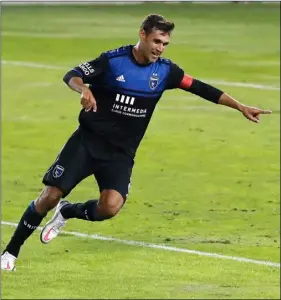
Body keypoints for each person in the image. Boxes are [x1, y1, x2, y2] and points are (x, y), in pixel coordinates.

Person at [1, 14, 271, 271]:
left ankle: (68, 213)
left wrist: (239, 106)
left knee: (110, 208)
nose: (160, 49)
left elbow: (201, 88)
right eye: (156, 41)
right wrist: (84, 89)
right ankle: (11, 251)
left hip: (120, 153)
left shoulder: (166, 72)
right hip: (87, 143)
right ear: (142, 35)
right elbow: (72, 74)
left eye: (165, 44)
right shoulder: (113, 61)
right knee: (49, 196)